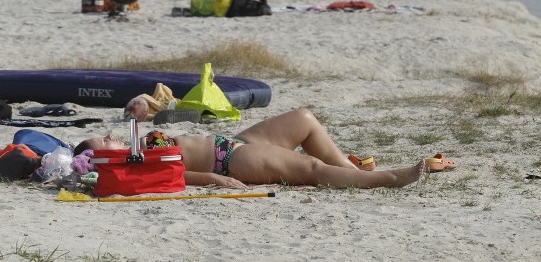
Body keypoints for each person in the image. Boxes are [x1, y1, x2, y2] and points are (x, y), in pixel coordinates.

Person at [75, 109, 440, 189]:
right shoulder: (130, 165)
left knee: (304, 119)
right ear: (98, 157)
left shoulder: (137, 146)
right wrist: (217, 181)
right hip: (232, 159)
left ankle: (355, 171)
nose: (111, 137)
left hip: (237, 141)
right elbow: (177, 176)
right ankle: (389, 178)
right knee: (310, 168)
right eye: (104, 142)